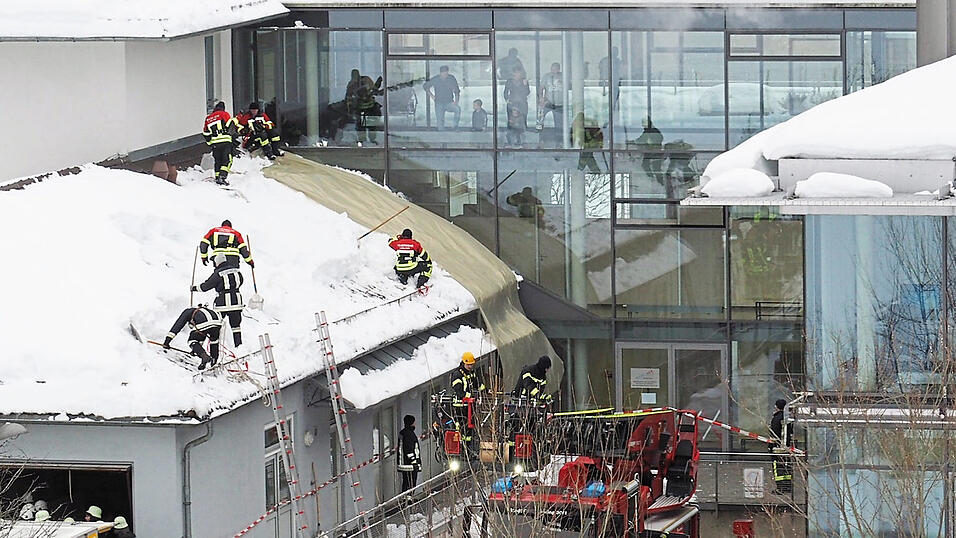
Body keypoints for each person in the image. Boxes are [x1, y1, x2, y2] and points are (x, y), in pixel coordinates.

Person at [193, 253, 244, 348]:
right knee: (236, 327)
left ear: (217, 262)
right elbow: (241, 281)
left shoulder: (218, 273)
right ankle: (239, 347)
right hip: (236, 303)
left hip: (222, 304)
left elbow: (206, 286)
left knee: (216, 326)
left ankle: (215, 348)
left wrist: (195, 288)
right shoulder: (236, 270)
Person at [163, 305, 223, 370]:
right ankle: (213, 362)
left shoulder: (187, 312)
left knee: (192, 340)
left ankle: (204, 356)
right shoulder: (202, 311)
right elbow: (200, 338)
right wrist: (196, 350)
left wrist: (167, 341)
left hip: (205, 322)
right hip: (218, 323)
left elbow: (177, 326)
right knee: (214, 341)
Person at [450, 351, 486, 446]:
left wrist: (485, 390)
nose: (470, 366)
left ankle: (468, 448)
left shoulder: (471, 373)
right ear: (464, 363)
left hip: (469, 406)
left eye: (471, 364)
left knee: (469, 429)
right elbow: (459, 391)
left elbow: (477, 384)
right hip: (459, 406)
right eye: (468, 364)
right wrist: (471, 396)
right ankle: (460, 448)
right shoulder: (457, 375)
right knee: (460, 427)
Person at [202, 101, 239, 185]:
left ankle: (217, 177)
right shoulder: (224, 114)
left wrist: (210, 143)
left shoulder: (208, 118)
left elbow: (206, 133)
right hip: (225, 141)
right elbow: (230, 125)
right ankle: (222, 177)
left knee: (218, 160)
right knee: (227, 160)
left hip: (215, 143)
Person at [423, 66, 460, 130]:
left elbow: (457, 90)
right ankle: (442, 134)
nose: (445, 75)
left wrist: (456, 101)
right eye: (443, 74)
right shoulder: (436, 79)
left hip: (449, 102)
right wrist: (431, 95)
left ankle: (454, 126)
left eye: (446, 74)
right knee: (440, 124)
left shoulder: (451, 78)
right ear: (440, 73)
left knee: (457, 109)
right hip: (439, 103)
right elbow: (425, 86)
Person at [769, 398, 793, 493]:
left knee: (778, 467)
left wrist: (771, 446)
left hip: (777, 448)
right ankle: (787, 486)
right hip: (786, 447)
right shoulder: (788, 418)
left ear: (777, 407)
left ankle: (780, 488)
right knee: (786, 466)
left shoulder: (776, 418)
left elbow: (774, 434)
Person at [502, 66, 530, 145]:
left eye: (519, 73)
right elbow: (505, 92)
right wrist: (507, 99)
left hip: (522, 103)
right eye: (516, 73)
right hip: (512, 103)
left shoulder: (524, 81)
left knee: (522, 121)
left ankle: (521, 140)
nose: (517, 75)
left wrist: (525, 85)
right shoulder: (509, 81)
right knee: (511, 121)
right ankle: (510, 140)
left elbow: (527, 92)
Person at [537, 63, 565, 140]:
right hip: (547, 102)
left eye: (556, 69)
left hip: (559, 104)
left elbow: (570, 86)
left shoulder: (563, 76)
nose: (554, 70)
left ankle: (559, 140)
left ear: (559, 69)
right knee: (540, 119)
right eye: (552, 69)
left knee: (559, 123)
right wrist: (541, 98)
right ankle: (539, 137)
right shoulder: (546, 76)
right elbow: (541, 88)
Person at [397, 414, 422, 492]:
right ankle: (408, 499)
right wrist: (414, 462)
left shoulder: (404, 433)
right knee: (411, 482)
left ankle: (406, 499)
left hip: (405, 463)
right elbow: (409, 450)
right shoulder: (409, 434)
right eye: (414, 422)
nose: (415, 424)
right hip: (409, 464)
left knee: (406, 482)